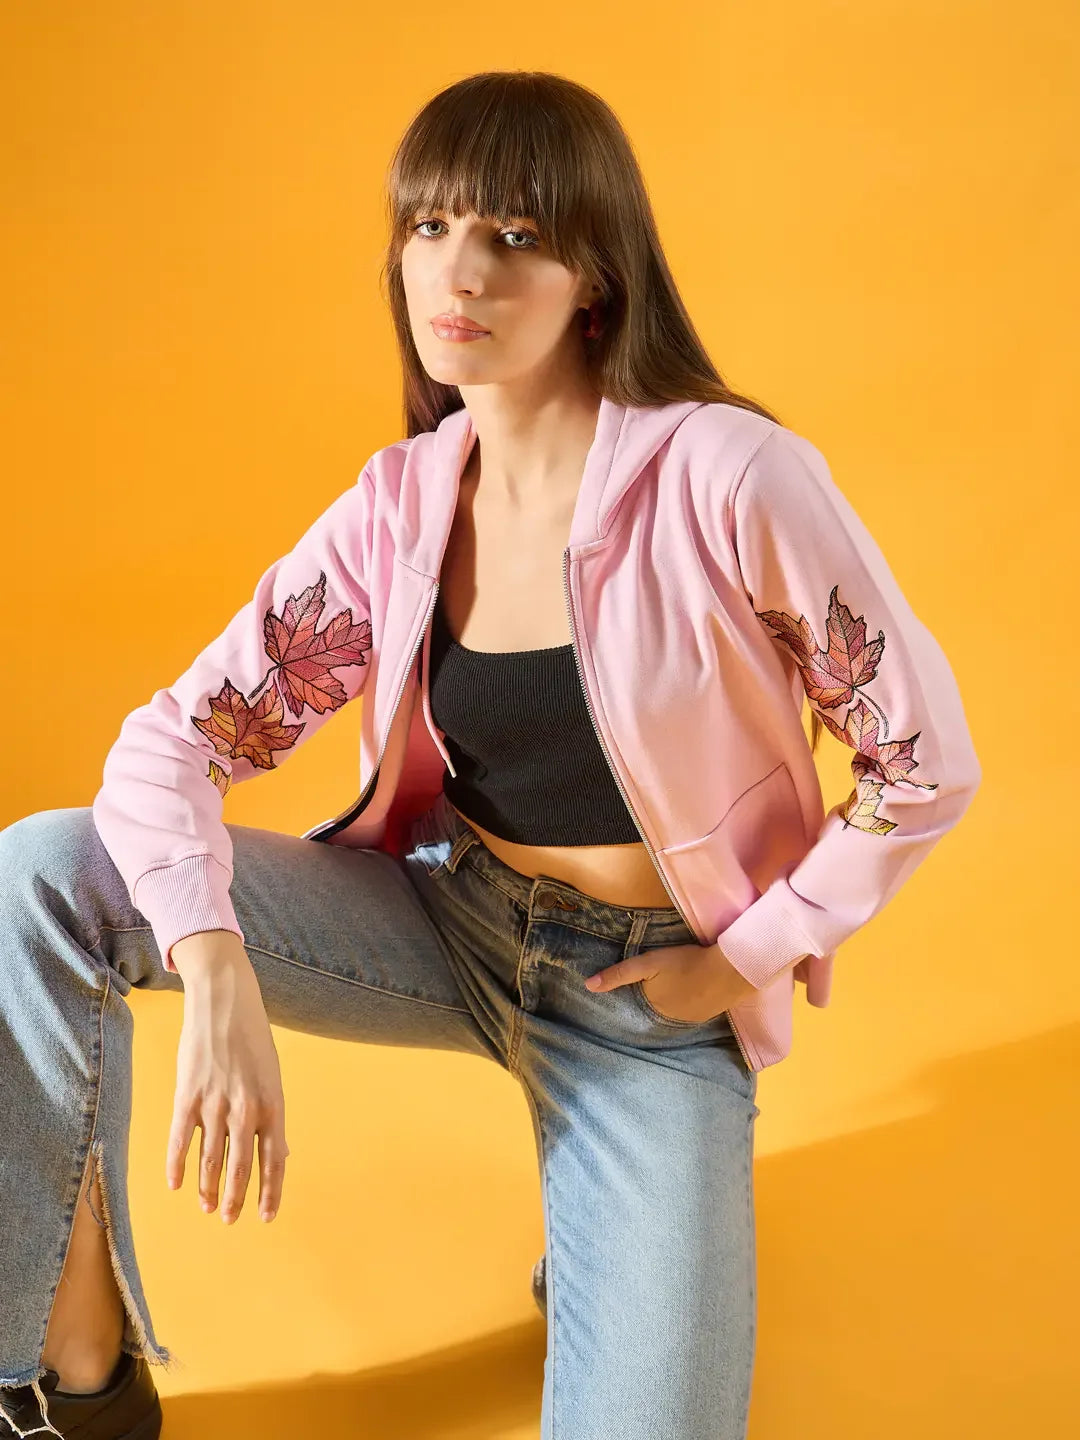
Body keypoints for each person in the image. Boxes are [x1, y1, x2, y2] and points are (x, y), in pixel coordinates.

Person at [0, 69, 981, 1440]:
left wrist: (749, 954)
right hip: (450, 922)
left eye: (514, 235)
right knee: (43, 872)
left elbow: (922, 762)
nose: (457, 270)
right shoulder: (401, 505)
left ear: (595, 274)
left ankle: (608, 1240)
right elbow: (173, 741)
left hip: (650, 1000)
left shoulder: (729, 479)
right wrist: (208, 960)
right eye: (429, 226)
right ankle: (72, 1370)